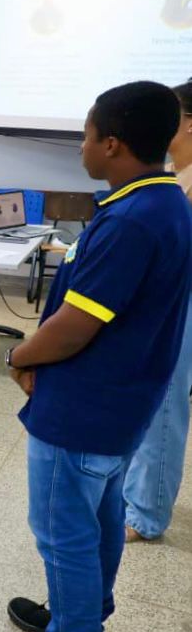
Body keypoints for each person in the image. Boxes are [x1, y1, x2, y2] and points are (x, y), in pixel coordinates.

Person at [0, 81, 192, 632]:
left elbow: (76, 326)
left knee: (63, 535)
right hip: (122, 401)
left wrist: (16, 355)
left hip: (84, 407)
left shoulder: (131, 220)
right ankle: (81, 621)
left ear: (113, 144)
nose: (81, 147)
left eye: (86, 135)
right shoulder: (163, 201)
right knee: (99, 521)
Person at [122, 77, 192, 542]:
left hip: (180, 301)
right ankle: (136, 494)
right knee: (148, 397)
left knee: (165, 402)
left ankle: (146, 515)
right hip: (158, 300)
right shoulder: (171, 171)